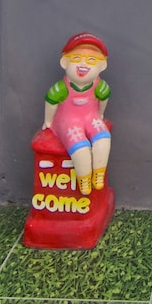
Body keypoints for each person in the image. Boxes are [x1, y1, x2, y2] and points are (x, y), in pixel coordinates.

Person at [43, 32, 111, 195]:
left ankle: (98, 173)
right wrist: (48, 122)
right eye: (76, 58)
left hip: (91, 117)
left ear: (102, 66)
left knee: (103, 138)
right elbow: (51, 103)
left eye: (91, 60)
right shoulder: (61, 88)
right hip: (67, 121)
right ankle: (84, 180)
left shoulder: (100, 86)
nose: (83, 64)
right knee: (80, 147)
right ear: (64, 62)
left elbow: (103, 101)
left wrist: (100, 115)